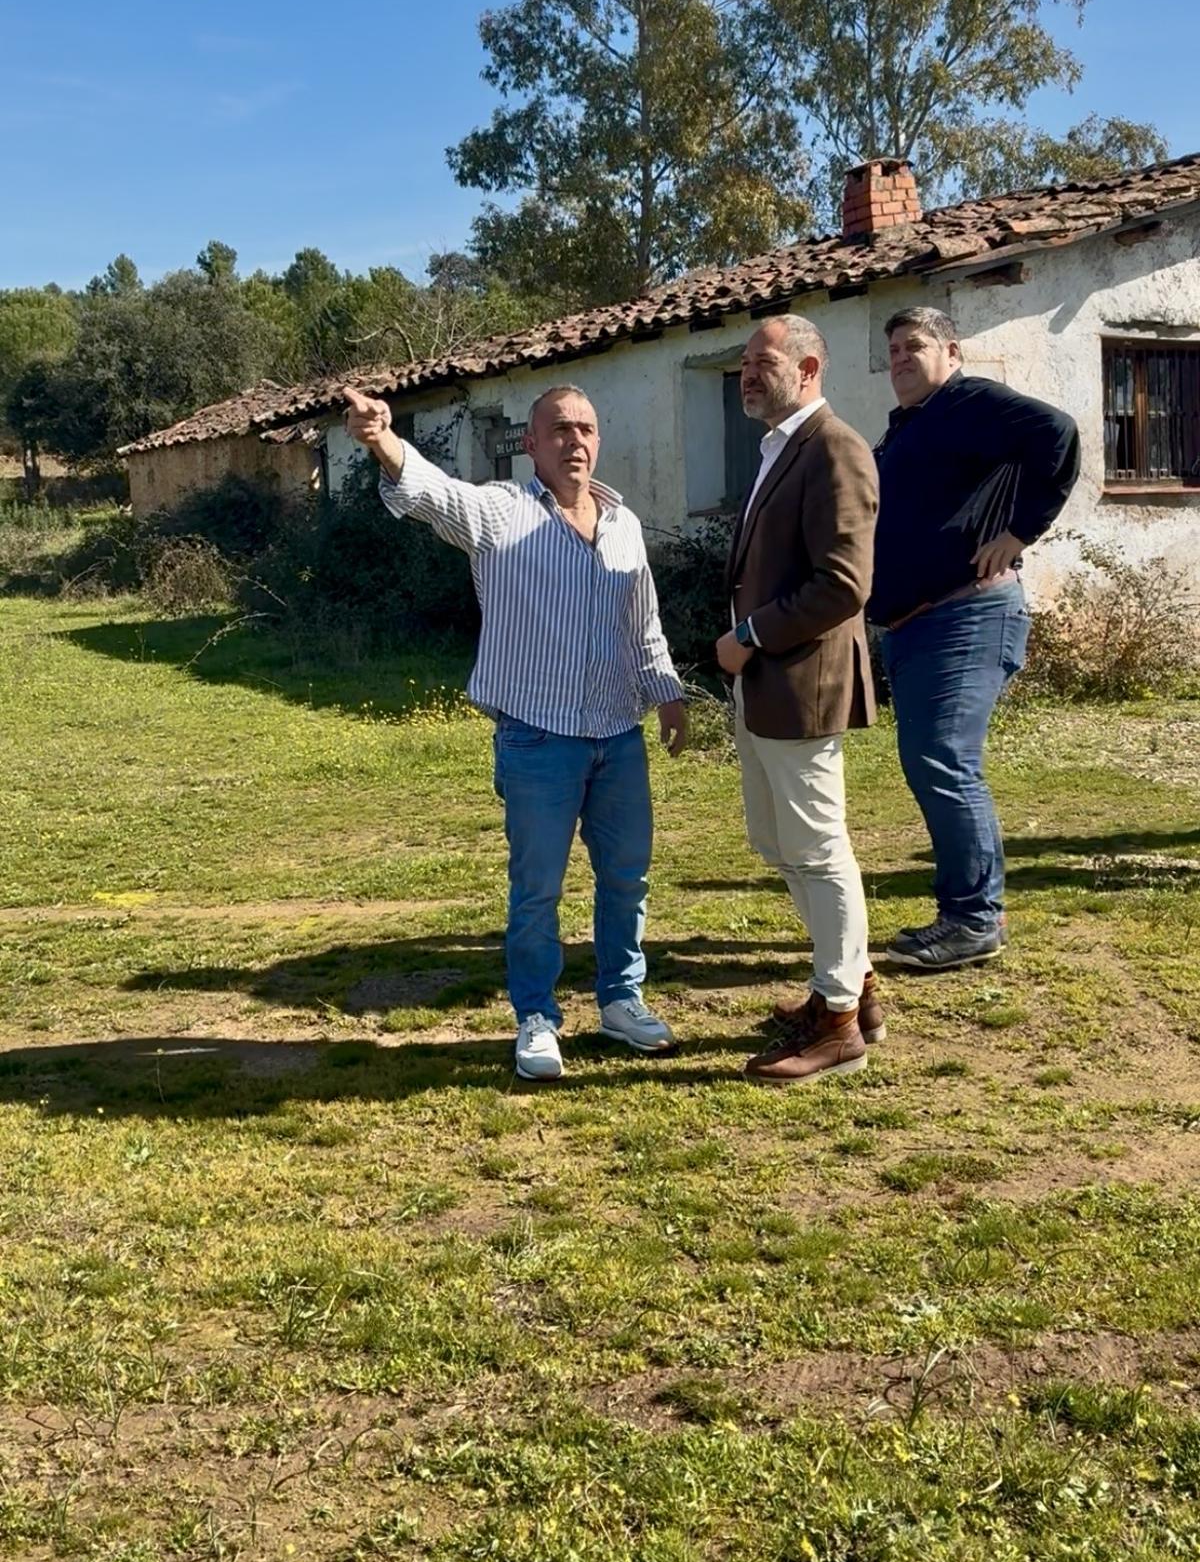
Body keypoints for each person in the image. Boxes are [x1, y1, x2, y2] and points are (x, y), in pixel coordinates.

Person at [343, 382, 689, 1082]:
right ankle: (536, 1016)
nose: (575, 441)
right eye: (559, 428)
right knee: (538, 889)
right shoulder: (501, 514)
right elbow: (434, 492)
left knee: (627, 877)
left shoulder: (623, 523)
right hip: (539, 738)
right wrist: (382, 439)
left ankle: (622, 999)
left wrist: (669, 693)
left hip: (617, 734)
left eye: (586, 427)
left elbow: (641, 622)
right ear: (530, 443)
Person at [868, 307, 1080, 972]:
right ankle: (962, 911)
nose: (901, 356)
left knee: (943, 759)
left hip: (965, 614)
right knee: (933, 759)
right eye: (894, 348)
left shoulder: (967, 400)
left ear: (951, 351)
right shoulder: (914, 424)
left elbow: (1060, 433)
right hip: (918, 623)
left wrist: (1021, 530)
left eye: (916, 345)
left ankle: (973, 919)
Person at [714, 316, 882, 1085]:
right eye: (744, 362)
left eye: (762, 361)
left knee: (817, 847)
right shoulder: (780, 447)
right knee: (778, 843)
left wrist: (750, 632)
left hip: (802, 678)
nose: (747, 373)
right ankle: (853, 982)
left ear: (809, 365)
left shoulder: (835, 447)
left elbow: (845, 582)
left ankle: (840, 1020)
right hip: (767, 684)